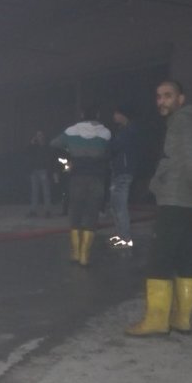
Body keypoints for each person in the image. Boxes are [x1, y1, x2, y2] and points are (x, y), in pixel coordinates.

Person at [127, 81, 192, 337]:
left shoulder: (182, 122)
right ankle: (182, 319)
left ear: (180, 99)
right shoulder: (188, 120)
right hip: (185, 201)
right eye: (159, 96)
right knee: (184, 258)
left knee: (160, 259)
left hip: (175, 198)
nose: (161, 101)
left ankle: (156, 321)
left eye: (168, 96)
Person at [51, 107, 111, 267]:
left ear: (81, 116)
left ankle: (75, 253)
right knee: (92, 216)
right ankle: (85, 256)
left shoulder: (71, 131)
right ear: (97, 115)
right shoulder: (105, 133)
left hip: (77, 177)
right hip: (97, 178)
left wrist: (68, 154)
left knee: (75, 214)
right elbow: (110, 151)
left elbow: (54, 144)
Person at [108, 107, 139, 249]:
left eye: (116, 113)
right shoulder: (124, 130)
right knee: (116, 206)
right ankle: (121, 236)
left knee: (120, 206)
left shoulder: (128, 131)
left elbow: (115, 146)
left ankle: (125, 238)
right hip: (119, 171)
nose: (114, 116)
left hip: (123, 172)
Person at [25, 131, 56, 218]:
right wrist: (31, 143)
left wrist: (50, 171)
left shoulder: (47, 147)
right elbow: (26, 152)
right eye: (37, 135)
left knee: (46, 191)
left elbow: (51, 159)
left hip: (43, 170)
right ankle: (33, 210)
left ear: (43, 136)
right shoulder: (34, 147)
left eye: (40, 135)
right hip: (34, 171)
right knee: (34, 192)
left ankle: (47, 211)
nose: (38, 137)